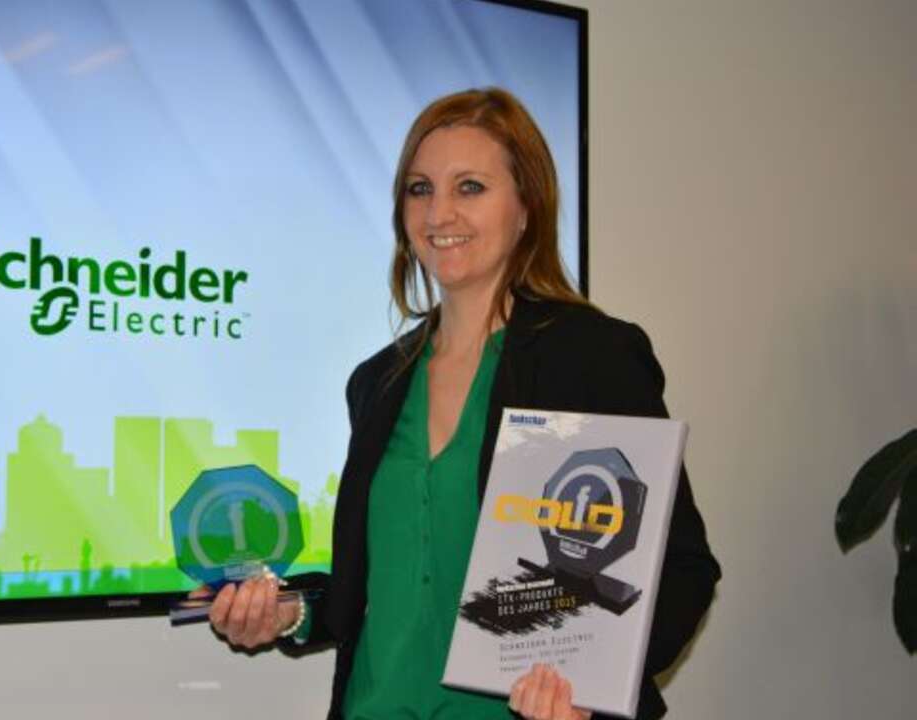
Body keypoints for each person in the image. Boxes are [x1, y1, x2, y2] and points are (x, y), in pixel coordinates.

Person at [196, 87, 721, 720]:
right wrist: (288, 612)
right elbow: (385, 588)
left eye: (469, 187)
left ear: (526, 206)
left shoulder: (590, 356)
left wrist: (594, 691)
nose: (439, 213)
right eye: (420, 189)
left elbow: (684, 570)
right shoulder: (377, 382)